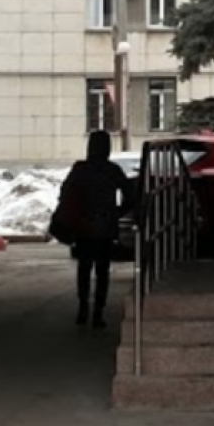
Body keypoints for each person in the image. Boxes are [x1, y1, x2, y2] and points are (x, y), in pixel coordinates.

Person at [58, 130, 131, 328]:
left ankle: (83, 309)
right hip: (105, 228)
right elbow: (130, 194)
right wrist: (117, 212)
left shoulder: (80, 169)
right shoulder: (112, 170)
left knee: (84, 268)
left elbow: (65, 193)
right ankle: (98, 313)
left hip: (82, 226)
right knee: (102, 272)